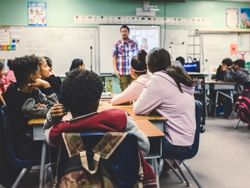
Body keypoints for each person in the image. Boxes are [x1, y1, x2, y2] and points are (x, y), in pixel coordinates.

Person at [43, 69, 156, 185]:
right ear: (98, 101)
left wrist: (52, 117)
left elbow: (46, 133)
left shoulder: (60, 130)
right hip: (120, 182)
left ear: (66, 104)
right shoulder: (119, 119)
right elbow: (144, 147)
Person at [134, 48, 196, 158]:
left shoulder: (158, 79)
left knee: (131, 141)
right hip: (189, 141)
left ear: (149, 65)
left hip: (175, 145)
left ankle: (148, 173)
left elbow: (138, 109)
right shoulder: (176, 77)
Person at [3, 55, 58, 160]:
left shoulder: (30, 90)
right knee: (61, 145)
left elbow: (48, 105)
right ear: (32, 76)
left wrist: (43, 107)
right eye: (38, 73)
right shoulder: (26, 103)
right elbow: (55, 109)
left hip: (29, 140)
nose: (40, 76)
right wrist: (47, 86)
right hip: (26, 146)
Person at [113, 25, 138, 91]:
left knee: (134, 92)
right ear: (120, 32)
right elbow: (114, 57)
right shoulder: (117, 44)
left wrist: (136, 70)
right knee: (124, 92)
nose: (124, 33)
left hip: (132, 72)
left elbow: (136, 58)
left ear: (128, 32)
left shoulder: (133, 43)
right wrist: (115, 70)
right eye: (122, 31)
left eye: (125, 31)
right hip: (122, 72)